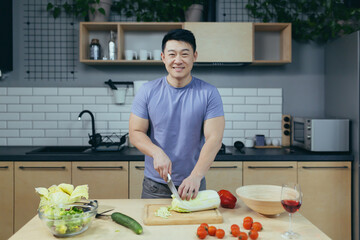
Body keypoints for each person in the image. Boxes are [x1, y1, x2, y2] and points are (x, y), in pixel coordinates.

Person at [129, 29, 225, 200]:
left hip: (194, 184)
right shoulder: (147, 91)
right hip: (155, 187)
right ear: (163, 57)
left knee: (195, 228)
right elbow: (136, 133)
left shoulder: (209, 93)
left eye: (184, 54)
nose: (178, 60)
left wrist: (196, 176)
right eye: (172, 54)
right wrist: (156, 152)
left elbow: (214, 139)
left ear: (194, 56)